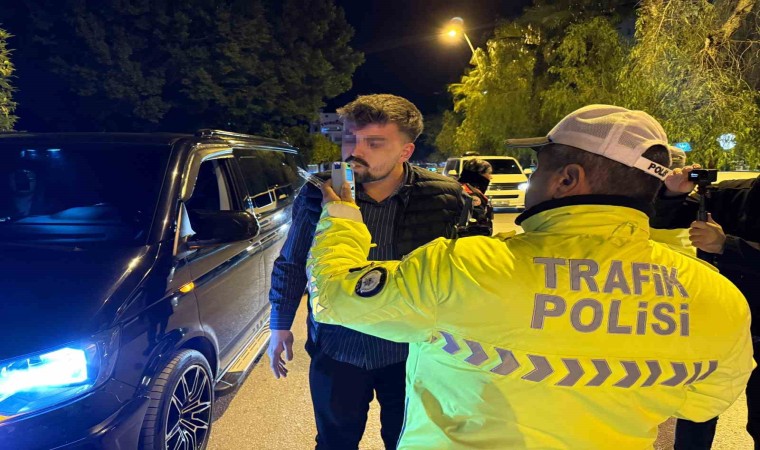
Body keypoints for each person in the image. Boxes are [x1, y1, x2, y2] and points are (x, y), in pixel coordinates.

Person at [306, 104, 754, 449]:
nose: (533, 179)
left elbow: (333, 295)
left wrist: (341, 215)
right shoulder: (714, 297)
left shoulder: (465, 268)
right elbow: (704, 402)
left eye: (539, 167)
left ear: (567, 180)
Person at [267, 94, 466, 449]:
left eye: (374, 143)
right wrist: (280, 324)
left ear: (405, 151)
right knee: (334, 442)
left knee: (407, 441)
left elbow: (456, 272)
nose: (355, 151)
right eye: (350, 139)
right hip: (337, 347)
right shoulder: (318, 193)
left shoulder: (442, 197)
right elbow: (292, 261)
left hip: (410, 351)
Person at [652, 167, 760, 449]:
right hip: (716, 324)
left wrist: (726, 245)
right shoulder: (729, 194)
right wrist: (673, 193)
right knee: (696, 413)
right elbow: (664, 217)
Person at [457, 158, 494, 237]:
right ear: (480, 174)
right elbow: (477, 218)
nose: (491, 177)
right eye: (489, 173)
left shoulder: (460, 187)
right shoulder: (472, 193)